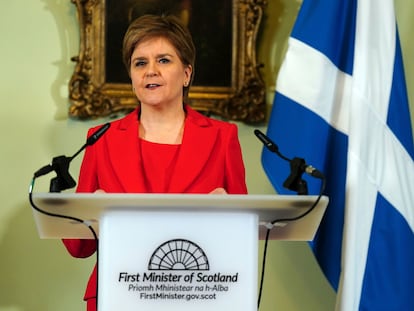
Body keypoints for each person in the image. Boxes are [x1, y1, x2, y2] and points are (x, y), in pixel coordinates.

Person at [62, 14, 247, 311]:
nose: (150, 71)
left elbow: (243, 242)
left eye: (163, 60)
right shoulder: (100, 139)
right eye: (140, 63)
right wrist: (88, 214)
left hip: (199, 296)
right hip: (116, 293)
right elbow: (78, 247)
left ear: (187, 74)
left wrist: (231, 218)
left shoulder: (223, 138)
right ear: (132, 76)